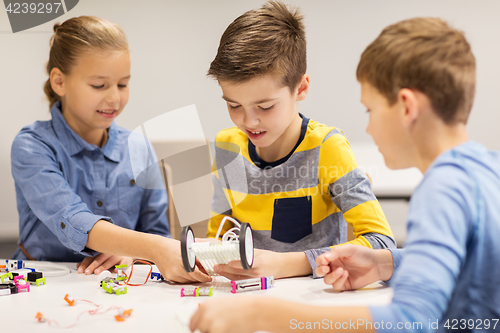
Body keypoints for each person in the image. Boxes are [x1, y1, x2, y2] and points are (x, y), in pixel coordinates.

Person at [189, 17, 500, 333]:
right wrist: (385, 263)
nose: (367, 128)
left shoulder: (441, 189)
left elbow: (412, 321)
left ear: (406, 107)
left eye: (370, 110)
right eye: (234, 105)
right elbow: (474, 275)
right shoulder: (488, 171)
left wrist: (266, 314)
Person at [11, 16, 211, 284]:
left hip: (117, 285)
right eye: (98, 85)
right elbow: (72, 219)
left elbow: (156, 232)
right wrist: (152, 248)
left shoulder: (139, 147)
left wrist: (131, 255)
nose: (114, 98)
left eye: (123, 84)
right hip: (40, 281)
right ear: (59, 82)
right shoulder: (32, 145)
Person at [205, 0, 395, 281]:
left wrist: (287, 265)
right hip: (250, 300)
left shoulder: (326, 147)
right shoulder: (227, 145)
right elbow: (220, 238)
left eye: (265, 107)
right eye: (234, 106)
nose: (249, 121)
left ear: (301, 88)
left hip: (314, 301)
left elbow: (382, 244)